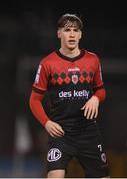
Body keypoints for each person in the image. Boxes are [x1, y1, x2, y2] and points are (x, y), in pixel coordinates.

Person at [29, 13, 110, 178]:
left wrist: (95, 98)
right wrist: (46, 123)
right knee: (54, 176)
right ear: (59, 33)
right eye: (67, 30)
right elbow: (34, 100)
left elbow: (101, 90)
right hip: (61, 134)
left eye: (75, 30)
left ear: (80, 34)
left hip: (88, 131)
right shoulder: (47, 63)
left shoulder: (92, 60)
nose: (72, 34)